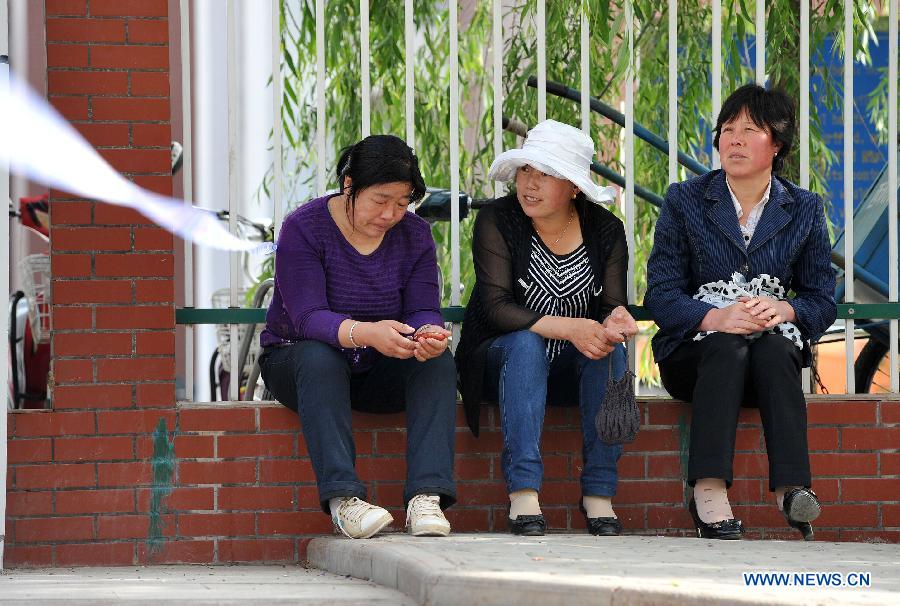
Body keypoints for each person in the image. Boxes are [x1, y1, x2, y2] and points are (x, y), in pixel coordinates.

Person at [645, 84, 837, 541]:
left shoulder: (805, 209)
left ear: (778, 145)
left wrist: (784, 308)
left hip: (766, 369)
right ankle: (708, 488)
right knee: (728, 344)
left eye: (750, 130)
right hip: (695, 360)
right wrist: (716, 318)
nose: (733, 139)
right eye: (727, 129)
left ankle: (792, 490)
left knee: (773, 351)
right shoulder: (684, 200)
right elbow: (661, 295)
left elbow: (822, 298)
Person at [258, 135, 457, 539]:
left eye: (402, 204)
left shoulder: (416, 235)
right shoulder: (304, 227)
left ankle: (426, 498)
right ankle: (344, 501)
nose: (390, 214)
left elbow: (422, 306)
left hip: (375, 366)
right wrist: (366, 333)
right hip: (299, 364)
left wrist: (425, 334)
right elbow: (307, 318)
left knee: (437, 360)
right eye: (380, 200)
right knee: (319, 356)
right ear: (349, 185)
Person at [456, 120, 639, 537]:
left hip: (568, 371)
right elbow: (497, 308)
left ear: (574, 186)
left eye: (546, 174)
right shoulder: (496, 220)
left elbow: (611, 306)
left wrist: (615, 321)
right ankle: (524, 494)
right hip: (502, 365)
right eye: (525, 171)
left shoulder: (606, 229)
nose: (530, 185)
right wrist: (571, 328)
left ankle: (598, 495)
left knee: (610, 348)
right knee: (525, 342)